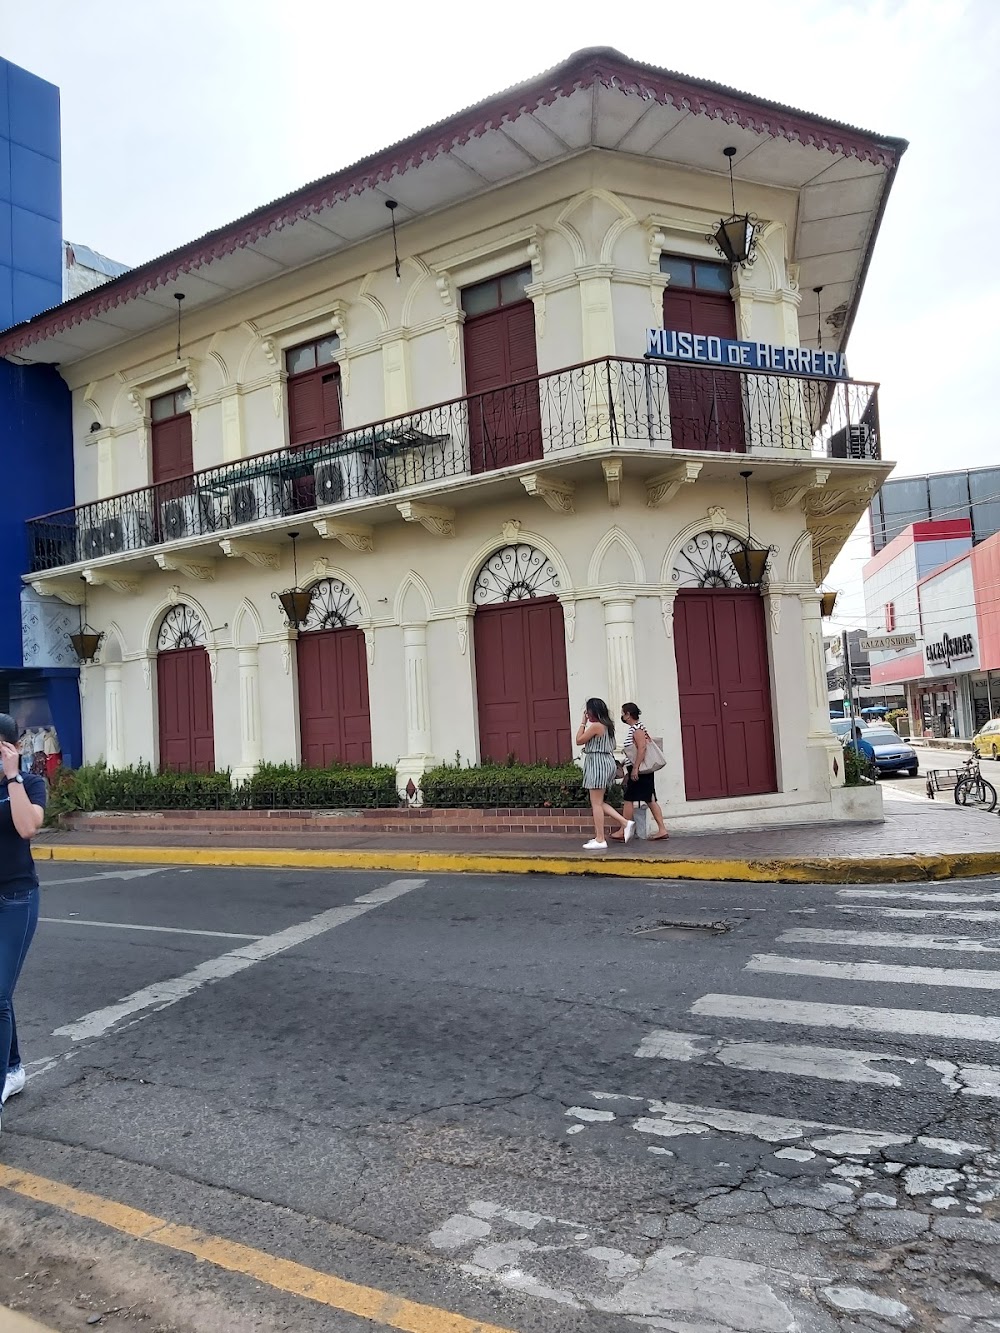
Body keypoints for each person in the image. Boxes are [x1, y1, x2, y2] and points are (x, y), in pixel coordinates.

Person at [0, 712, 46, 1131]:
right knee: (0, 992)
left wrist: (13, 777)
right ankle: (13, 1068)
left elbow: (27, 827)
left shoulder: (31, 784)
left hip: (16, 898)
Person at [575, 698, 634, 851]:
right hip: (606, 762)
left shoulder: (596, 726)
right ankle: (625, 823)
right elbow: (613, 745)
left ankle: (600, 838)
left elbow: (579, 740)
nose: (586, 714)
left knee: (595, 803)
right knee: (599, 802)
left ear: (593, 711)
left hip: (597, 763)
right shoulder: (608, 726)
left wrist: (582, 723)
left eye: (588, 711)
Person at [612, 703, 669, 841]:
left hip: (639, 770)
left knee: (629, 798)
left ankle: (623, 829)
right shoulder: (637, 728)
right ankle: (662, 829)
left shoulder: (637, 729)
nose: (622, 716)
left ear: (628, 714)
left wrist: (635, 768)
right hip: (641, 769)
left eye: (623, 713)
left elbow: (642, 748)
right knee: (650, 799)